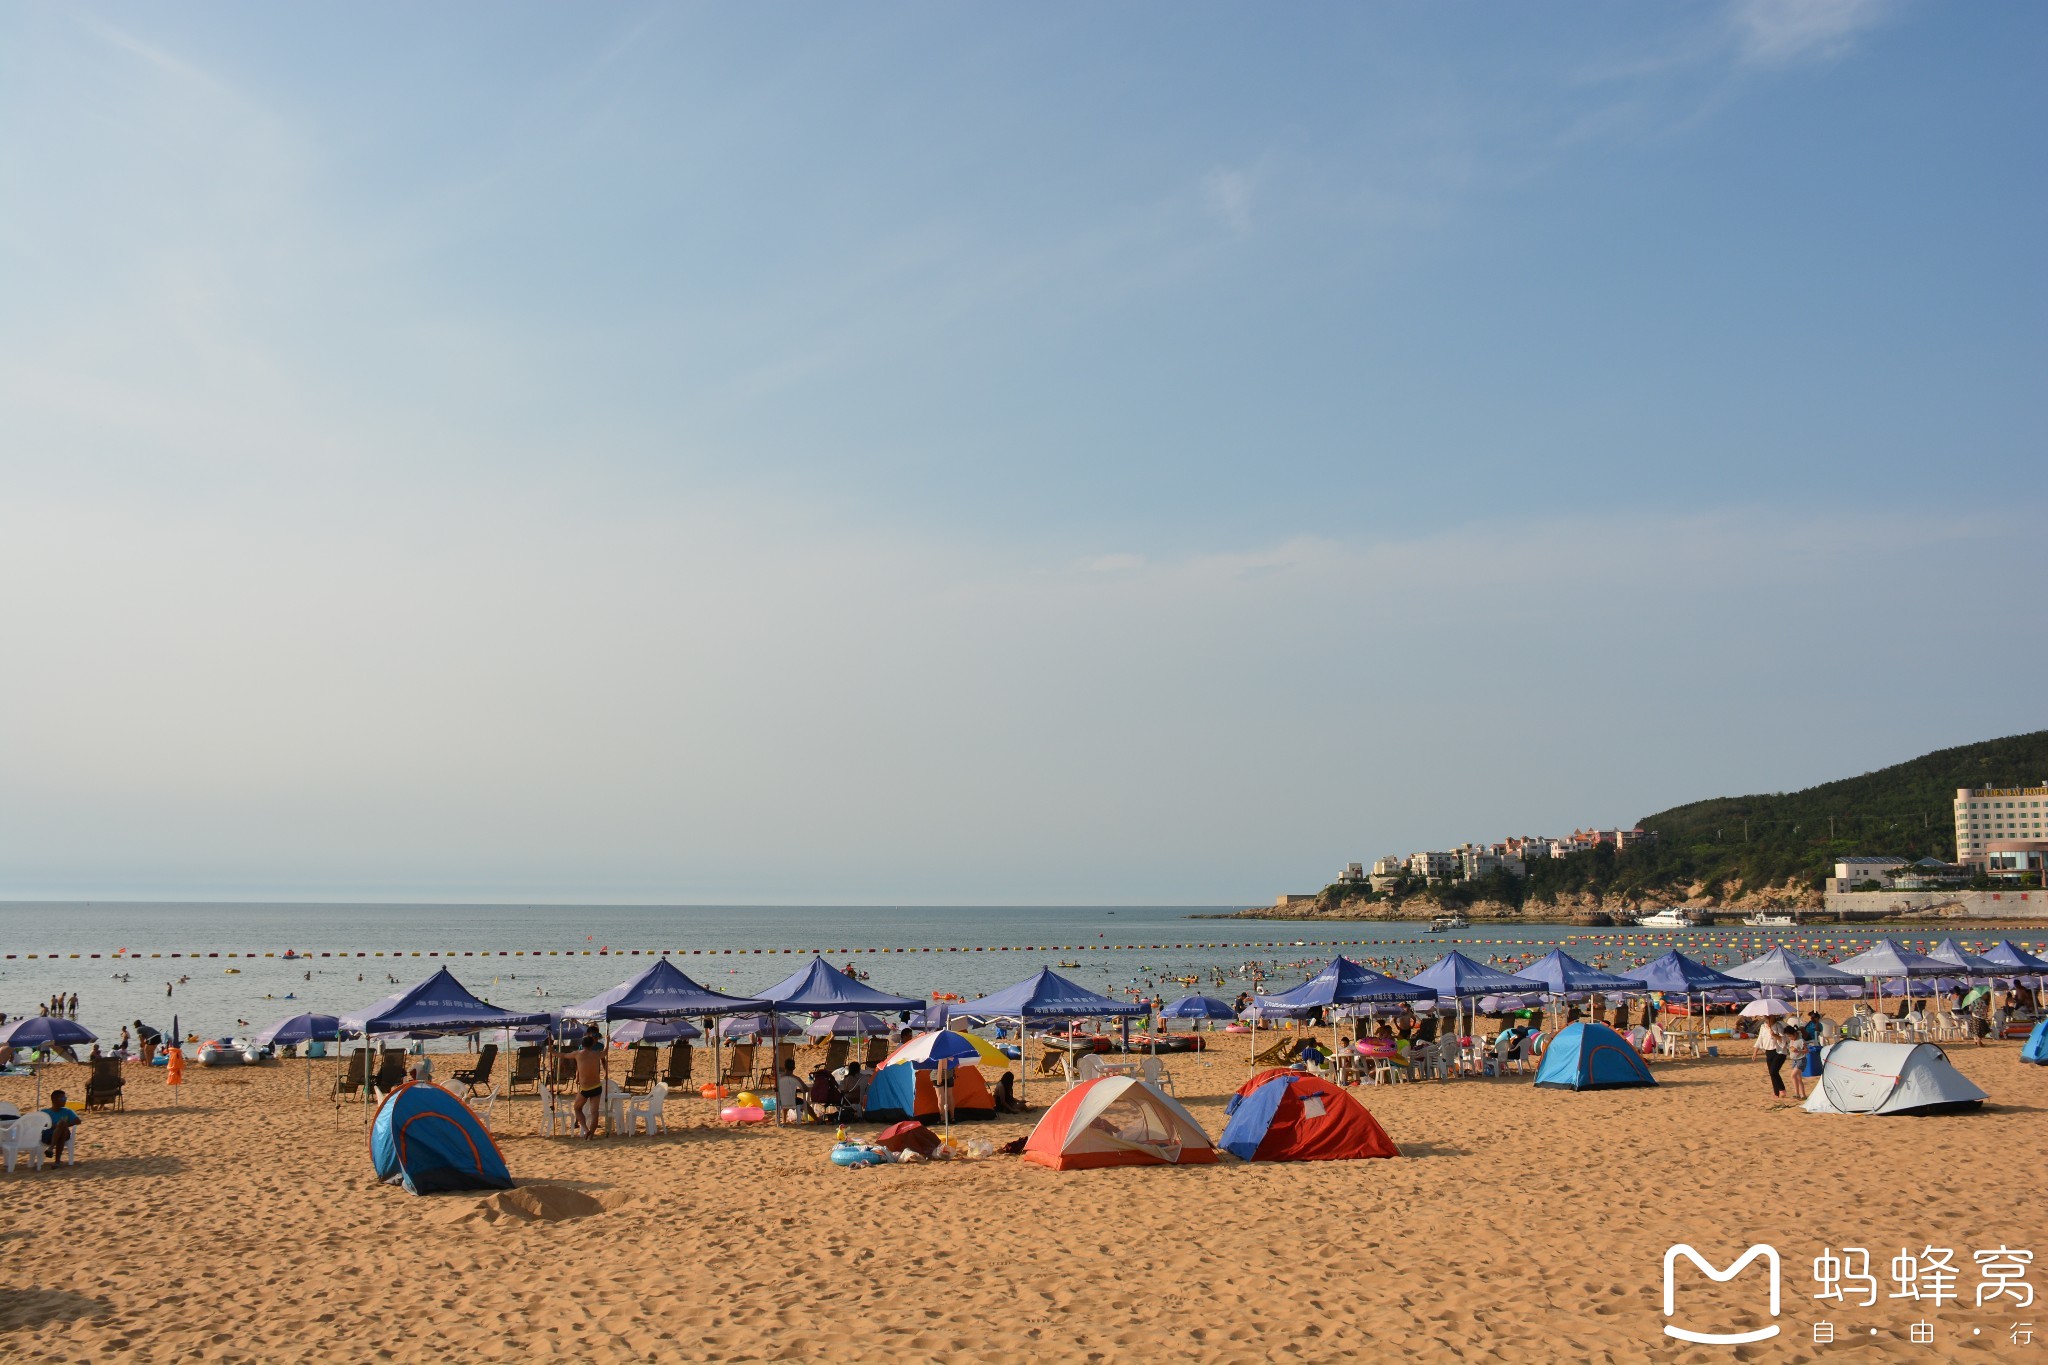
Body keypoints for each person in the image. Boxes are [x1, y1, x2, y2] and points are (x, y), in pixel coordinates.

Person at [571, 1036, 605, 1139]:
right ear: (593, 1044)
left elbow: (563, 1055)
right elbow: (606, 1051)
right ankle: (592, 1134)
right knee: (594, 1112)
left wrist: (552, 1051)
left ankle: (586, 1130)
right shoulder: (596, 1054)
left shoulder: (578, 1054)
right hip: (596, 1087)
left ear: (582, 1044)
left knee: (577, 1108)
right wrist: (607, 1041)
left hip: (585, 1088)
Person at [42, 1090, 81, 1163]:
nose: (65, 1101)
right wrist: (56, 1126)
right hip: (48, 1135)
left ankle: (51, 1148)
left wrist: (62, 1126)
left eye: (65, 1099)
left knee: (63, 1126)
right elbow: (38, 1123)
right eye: (62, 1099)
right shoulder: (45, 1112)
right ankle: (57, 1161)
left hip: (64, 1133)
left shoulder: (67, 1111)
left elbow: (78, 1121)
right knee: (63, 1130)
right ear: (54, 1100)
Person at [1757, 1017, 1788, 1099]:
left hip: (1779, 1052)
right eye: (1766, 1017)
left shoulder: (1779, 1026)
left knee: (1773, 1071)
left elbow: (1783, 1040)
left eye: (1768, 1017)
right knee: (1771, 1073)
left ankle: (1782, 1089)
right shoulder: (1763, 1027)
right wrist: (1755, 1052)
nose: (1767, 1019)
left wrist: (1774, 1035)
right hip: (1768, 1051)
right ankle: (1776, 1093)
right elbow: (1760, 1039)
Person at [776, 1057, 803, 1125]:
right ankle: (816, 1119)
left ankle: (784, 1120)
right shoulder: (796, 1078)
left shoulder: (779, 1078)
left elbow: (775, 1088)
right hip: (793, 1101)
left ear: (785, 1067)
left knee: (785, 1098)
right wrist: (798, 1090)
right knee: (805, 1104)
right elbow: (805, 1089)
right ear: (794, 1068)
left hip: (781, 1101)